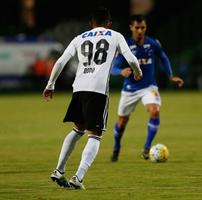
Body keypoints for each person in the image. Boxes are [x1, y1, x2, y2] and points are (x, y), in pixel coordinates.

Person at [42, 7, 142, 189]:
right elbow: (132, 59)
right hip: (97, 90)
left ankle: (59, 170)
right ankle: (78, 178)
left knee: (77, 129)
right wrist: (137, 71)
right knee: (94, 135)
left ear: (90, 24)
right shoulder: (115, 35)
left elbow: (61, 61)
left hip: (78, 88)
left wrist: (50, 84)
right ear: (109, 23)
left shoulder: (79, 38)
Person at [110, 14, 184, 162]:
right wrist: (121, 72)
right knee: (121, 123)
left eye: (142, 27)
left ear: (145, 27)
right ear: (131, 27)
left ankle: (146, 148)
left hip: (148, 87)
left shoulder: (152, 43)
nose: (140, 31)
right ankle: (116, 147)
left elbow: (163, 57)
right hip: (129, 89)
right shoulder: (125, 46)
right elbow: (113, 67)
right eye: (137, 27)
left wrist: (170, 75)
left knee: (155, 111)